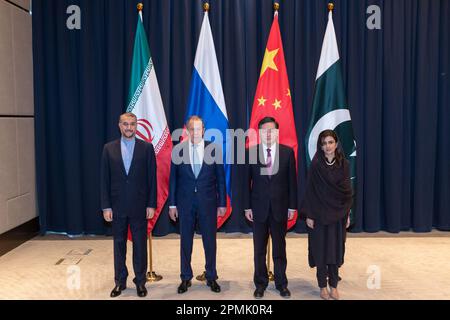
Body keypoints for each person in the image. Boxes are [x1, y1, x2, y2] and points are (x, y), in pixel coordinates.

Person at [101, 112, 157, 298]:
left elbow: (152, 179)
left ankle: (140, 282)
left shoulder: (146, 148)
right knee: (119, 245)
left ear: (137, 126)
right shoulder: (108, 149)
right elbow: (104, 181)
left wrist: (151, 204)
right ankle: (120, 281)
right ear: (119, 125)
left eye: (132, 124)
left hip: (140, 206)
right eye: (125, 124)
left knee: (140, 245)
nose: (129, 127)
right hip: (116, 207)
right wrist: (106, 206)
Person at [168, 115, 226, 294]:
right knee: (186, 241)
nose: (195, 132)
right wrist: (172, 205)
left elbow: (221, 180)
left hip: (208, 203)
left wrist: (222, 203)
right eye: (192, 129)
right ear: (186, 130)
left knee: (210, 241)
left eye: (198, 129)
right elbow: (173, 181)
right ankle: (185, 278)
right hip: (185, 203)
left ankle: (211, 276)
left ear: (204, 130)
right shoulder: (178, 150)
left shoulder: (213, 149)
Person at [244, 117, 298, 299]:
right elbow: (245, 183)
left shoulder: (287, 153)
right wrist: (246, 207)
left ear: (277, 132)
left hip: (280, 208)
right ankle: (260, 283)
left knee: (279, 249)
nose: (268, 133)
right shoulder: (251, 152)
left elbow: (292, 182)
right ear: (259, 133)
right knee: (259, 249)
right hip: (258, 209)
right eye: (264, 130)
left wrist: (292, 206)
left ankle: (282, 283)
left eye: (271, 130)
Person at [300, 129, 353, 300]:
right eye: (324, 143)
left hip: (338, 215)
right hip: (319, 214)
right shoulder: (315, 164)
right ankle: (322, 286)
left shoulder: (344, 164)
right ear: (320, 146)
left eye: (330, 142)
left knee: (334, 251)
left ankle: (334, 286)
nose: (328, 146)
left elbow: (347, 192)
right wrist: (309, 215)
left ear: (336, 144)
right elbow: (310, 191)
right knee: (321, 251)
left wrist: (347, 214)